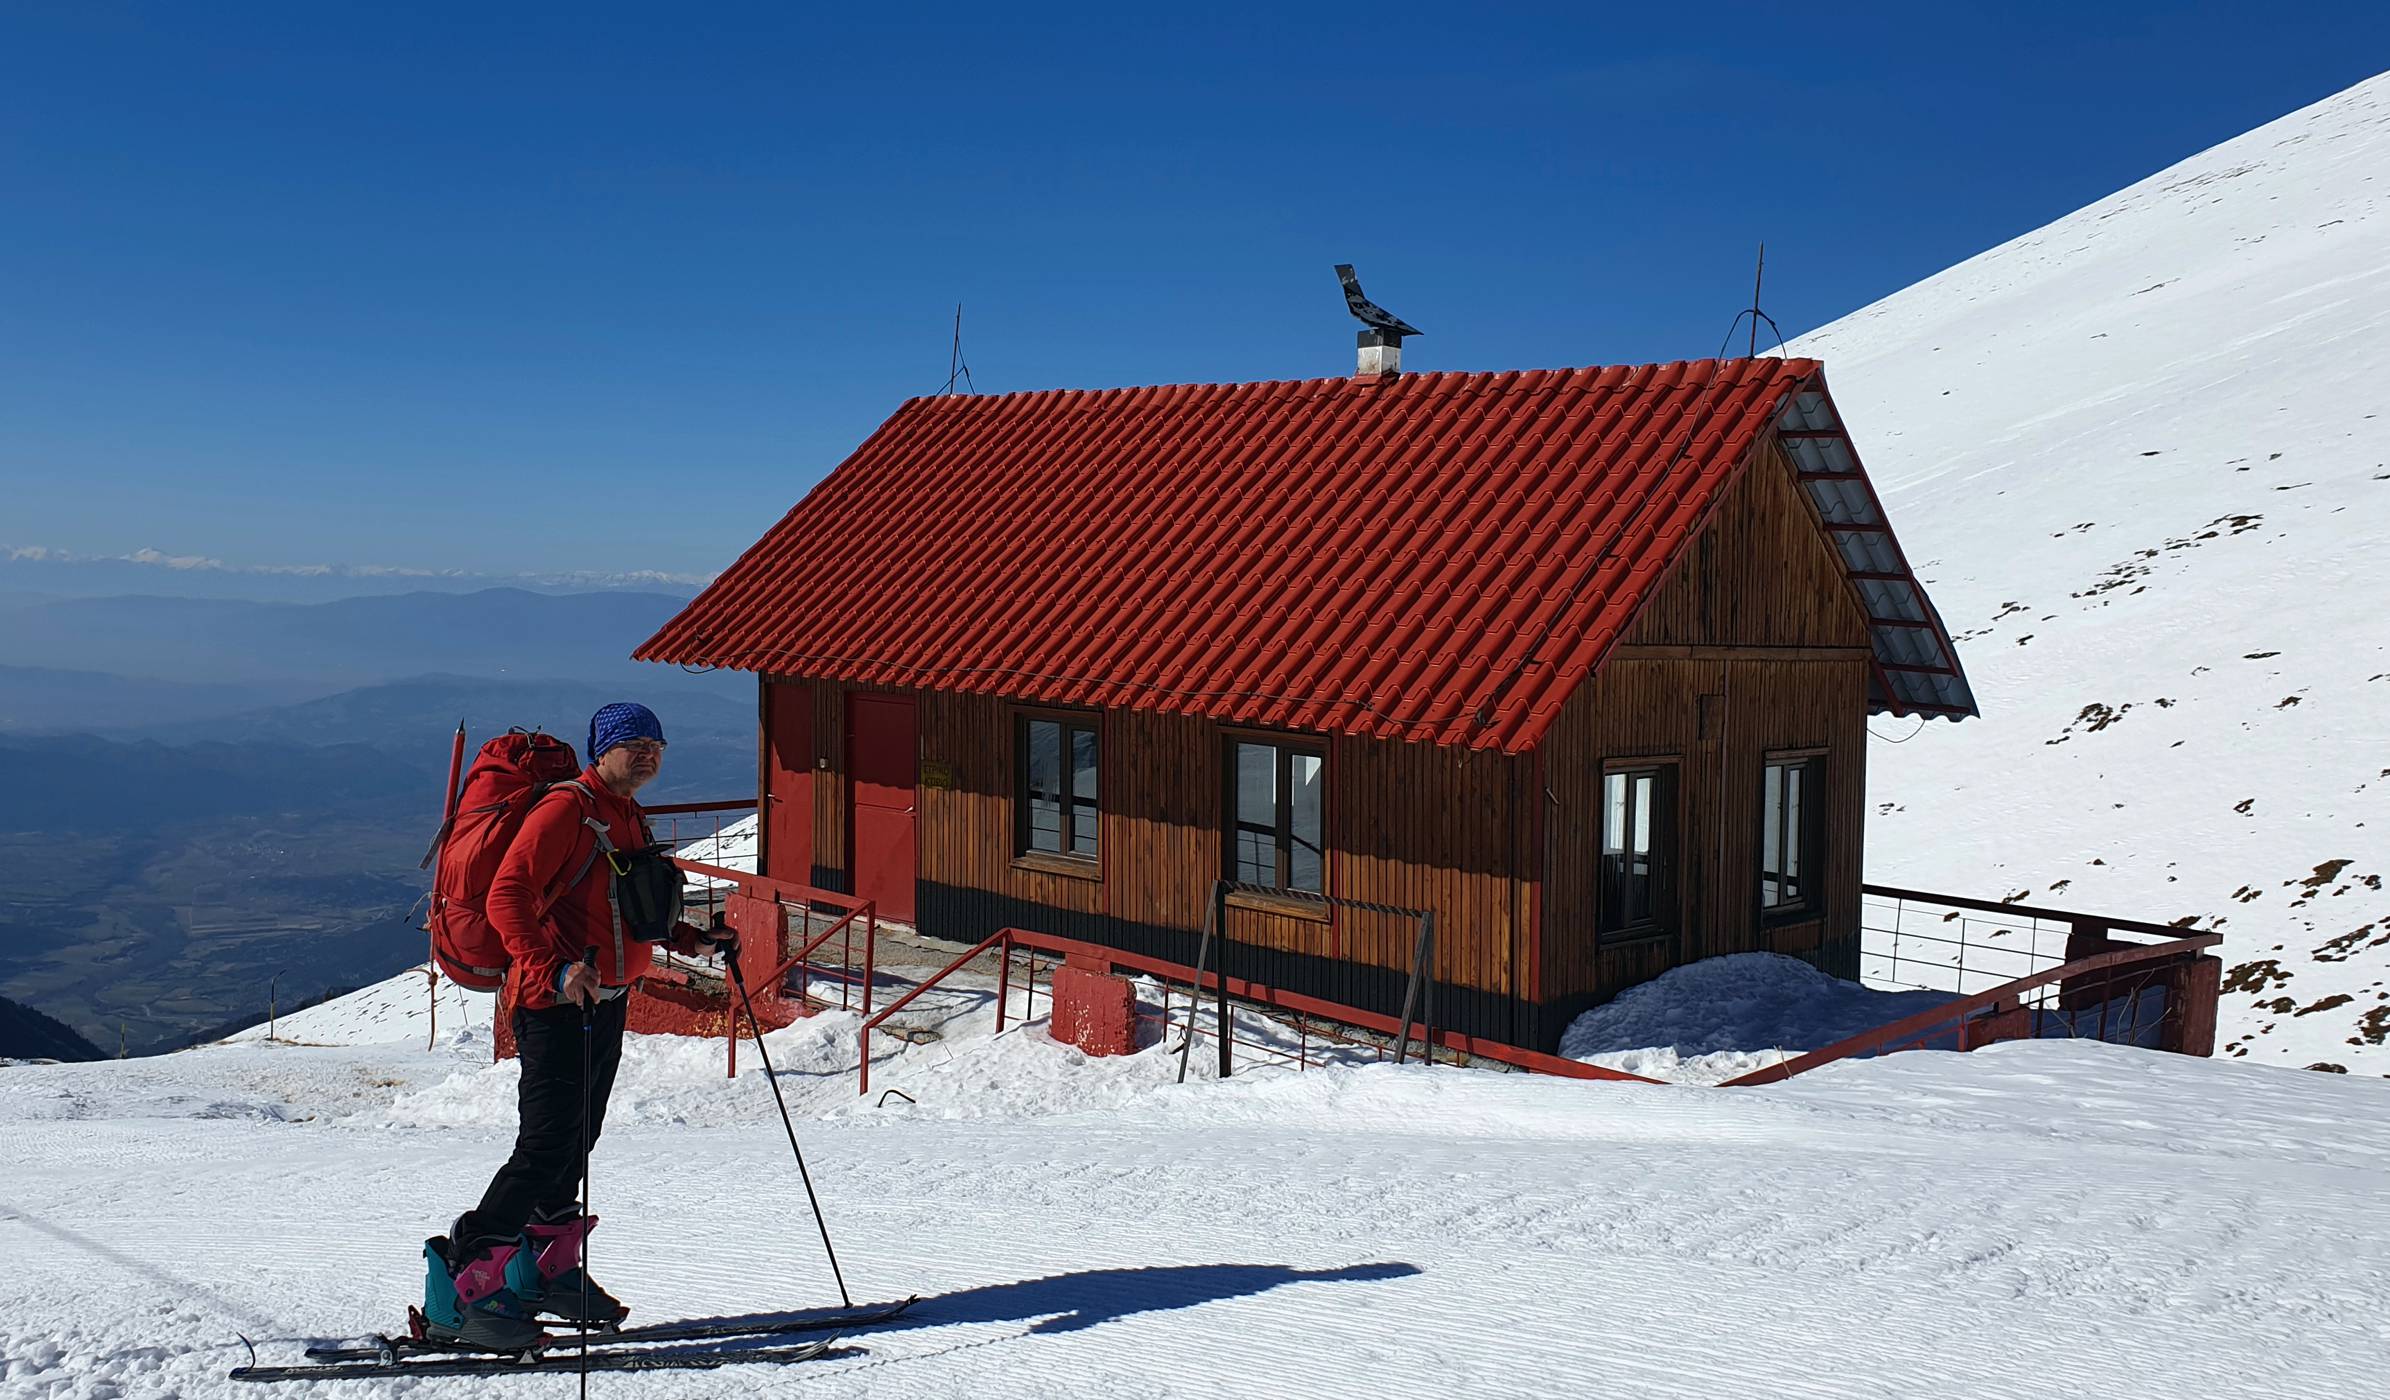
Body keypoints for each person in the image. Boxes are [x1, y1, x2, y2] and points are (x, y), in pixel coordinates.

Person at [421, 701, 735, 1347]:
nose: (646, 754)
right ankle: (461, 1285)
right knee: (543, 1148)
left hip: (606, 1000)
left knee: (574, 1144)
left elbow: (630, 904)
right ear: (602, 750)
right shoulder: (566, 810)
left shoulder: (628, 814)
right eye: (632, 743)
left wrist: (690, 938)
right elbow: (508, 895)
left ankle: (545, 1272)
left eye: (655, 743)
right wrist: (555, 969)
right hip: (555, 1006)